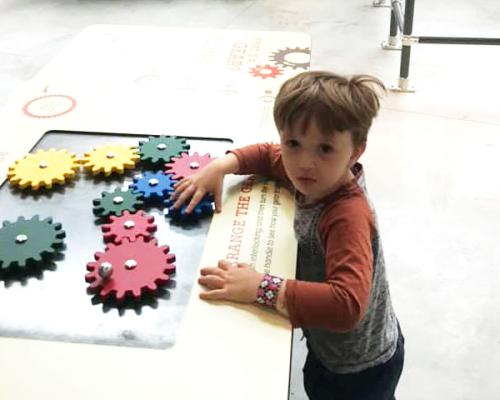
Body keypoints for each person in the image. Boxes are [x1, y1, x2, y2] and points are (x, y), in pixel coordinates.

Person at [172, 71, 404, 400]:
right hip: (328, 349)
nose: (304, 163)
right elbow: (268, 155)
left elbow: (347, 305)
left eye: (325, 149)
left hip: (357, 370)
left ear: (355, 152)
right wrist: (221, 165)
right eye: (293, 143)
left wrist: (260, 287)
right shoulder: (316, 174)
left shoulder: (347, 215)